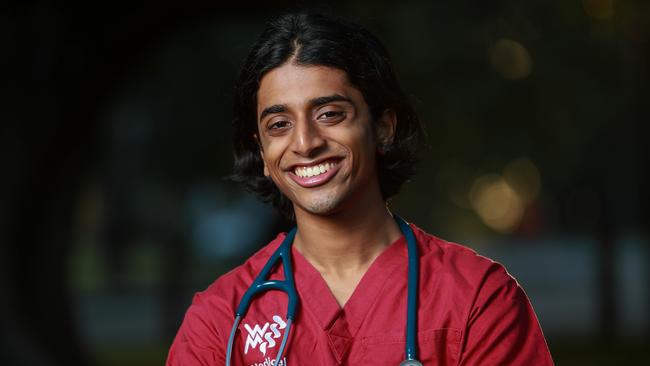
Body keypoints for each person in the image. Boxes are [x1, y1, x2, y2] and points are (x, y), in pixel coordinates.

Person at [167, 11, 554, 366]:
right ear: (263, 154)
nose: (305, 142)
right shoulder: (220, 321)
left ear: (383, 127)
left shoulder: (478, 300)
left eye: (330, 114)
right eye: (279, 125)